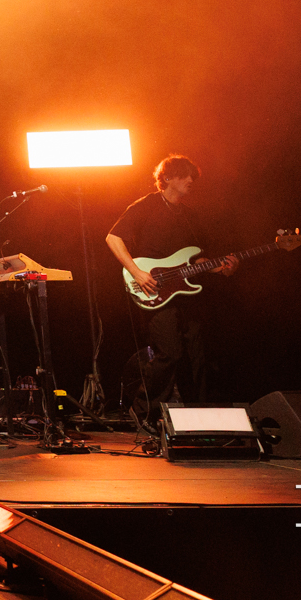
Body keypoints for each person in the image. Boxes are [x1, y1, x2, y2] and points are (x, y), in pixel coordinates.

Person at [104, 154, 235, 427]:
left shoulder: (188, 215)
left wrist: (220, 267)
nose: (191, 180)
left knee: (197, 356)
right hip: (154, 289)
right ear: (167, 178)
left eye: (192, 176)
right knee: (170, 352)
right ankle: (143, 411)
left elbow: (196, 259)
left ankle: (199, 416)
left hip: (186, 294)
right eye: (184, 175)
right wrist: (136, 272)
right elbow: (113, 237)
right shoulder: (146, 205)